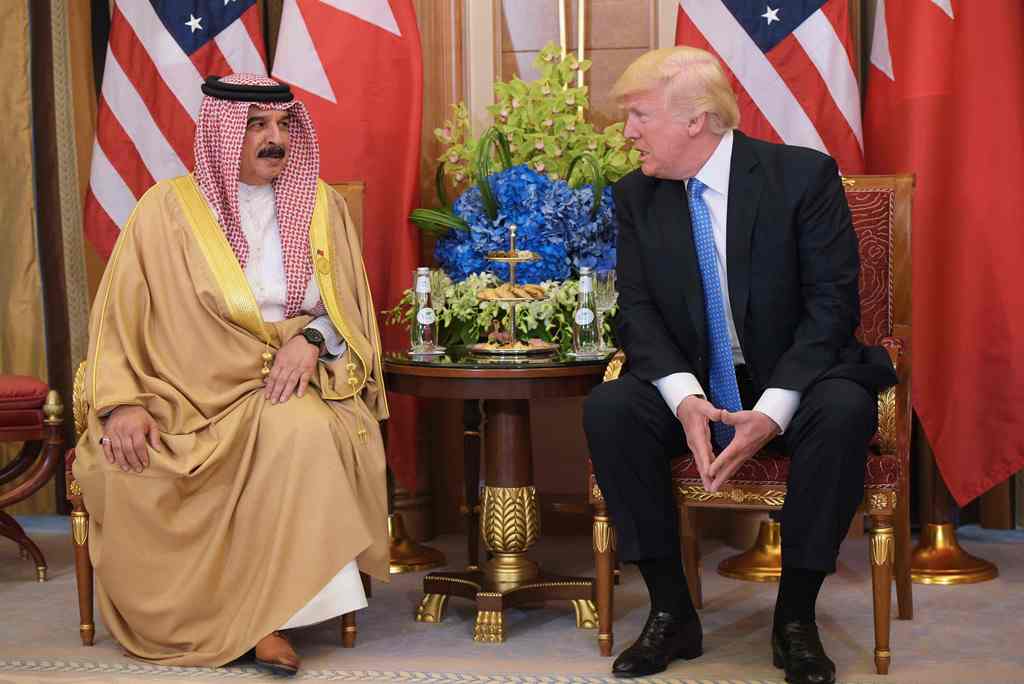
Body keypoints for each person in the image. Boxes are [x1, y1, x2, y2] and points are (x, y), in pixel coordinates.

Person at [583, 48, 897, 682]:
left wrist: (773, 411)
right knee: (612, 407)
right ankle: (672, 613)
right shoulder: (637, 196)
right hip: (698, 379)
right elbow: (637, 314)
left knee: (843, 408)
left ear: (696, 119)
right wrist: (685, 399)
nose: (627, 133)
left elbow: (831, 309)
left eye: (639, 115)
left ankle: (796, 619)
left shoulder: (801, 178)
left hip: (794, 374)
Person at [72, 74, 389, 676]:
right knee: (137, 460)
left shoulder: (321, 207)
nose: (276, 139)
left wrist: (313, 341)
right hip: (180, 388)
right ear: (221, 133)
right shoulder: (163, 211)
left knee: (303, 437)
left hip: (285, 380)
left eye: (285, 126)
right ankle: (210, 617)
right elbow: (117, 320)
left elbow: (349, 309)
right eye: (257, 126)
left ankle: (267, 621)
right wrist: (120, 404)